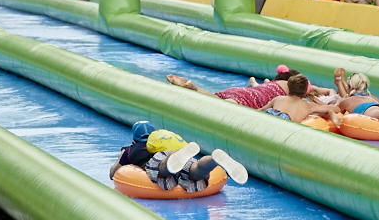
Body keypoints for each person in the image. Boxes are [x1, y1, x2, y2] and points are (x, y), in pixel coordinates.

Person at [109, 121, 248, 190]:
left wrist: (123, 156)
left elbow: (113, 174)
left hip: (161, 159)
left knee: (161, 169)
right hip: (177, 152)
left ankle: (170, 162)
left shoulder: (131, 150)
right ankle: (213, 160)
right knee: (195, 170)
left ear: (134, 139)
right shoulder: (162, 141)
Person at [166, 73, 333, 108]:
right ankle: (194, 89)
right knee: (227, 104)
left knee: (218, 97)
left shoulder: (279, 83)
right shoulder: (292, 100)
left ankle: (196, 88)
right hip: (250, 100)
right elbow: (328, 93)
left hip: (240, 90)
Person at [262, 74, 343, 124]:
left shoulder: (279, 98)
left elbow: (261, 110)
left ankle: (327, 114)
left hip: (271, 115)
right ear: (305, 93)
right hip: (287, 121)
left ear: (289, 89)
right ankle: (328, 115)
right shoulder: (308, 105)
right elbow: (337, 108)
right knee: (314, 114)